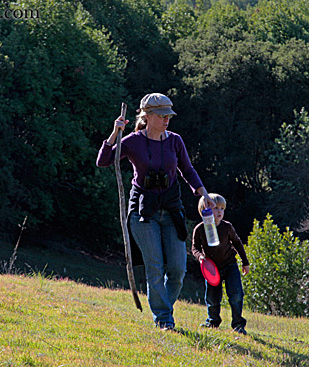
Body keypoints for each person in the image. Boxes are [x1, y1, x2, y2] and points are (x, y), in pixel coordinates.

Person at [96, 93, 215, 331]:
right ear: (147, 116)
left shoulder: (175, 141)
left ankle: (162, 309)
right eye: (161, 116)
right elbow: (104, 161)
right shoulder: (131, 141)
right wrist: (114, 133)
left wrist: (203, 194)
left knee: (178, 270)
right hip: (143, 212)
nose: (166, 120)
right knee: (155, 267)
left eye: (168, 116)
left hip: (171, 209)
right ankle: (164, 320)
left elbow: (188, 170)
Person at [191, 193, 250, 335]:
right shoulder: (199, 229)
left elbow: (237, 243)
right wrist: (200, 257)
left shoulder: (227, 227)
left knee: (236, 294)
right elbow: (194, 248)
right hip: (212, 268)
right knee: (212, 296)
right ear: (204, 210)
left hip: (230, 265)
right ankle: (213, 321)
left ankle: (238, 324)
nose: (219, 212)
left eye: (222, 209)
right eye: (215, 208)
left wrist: (245, 262)